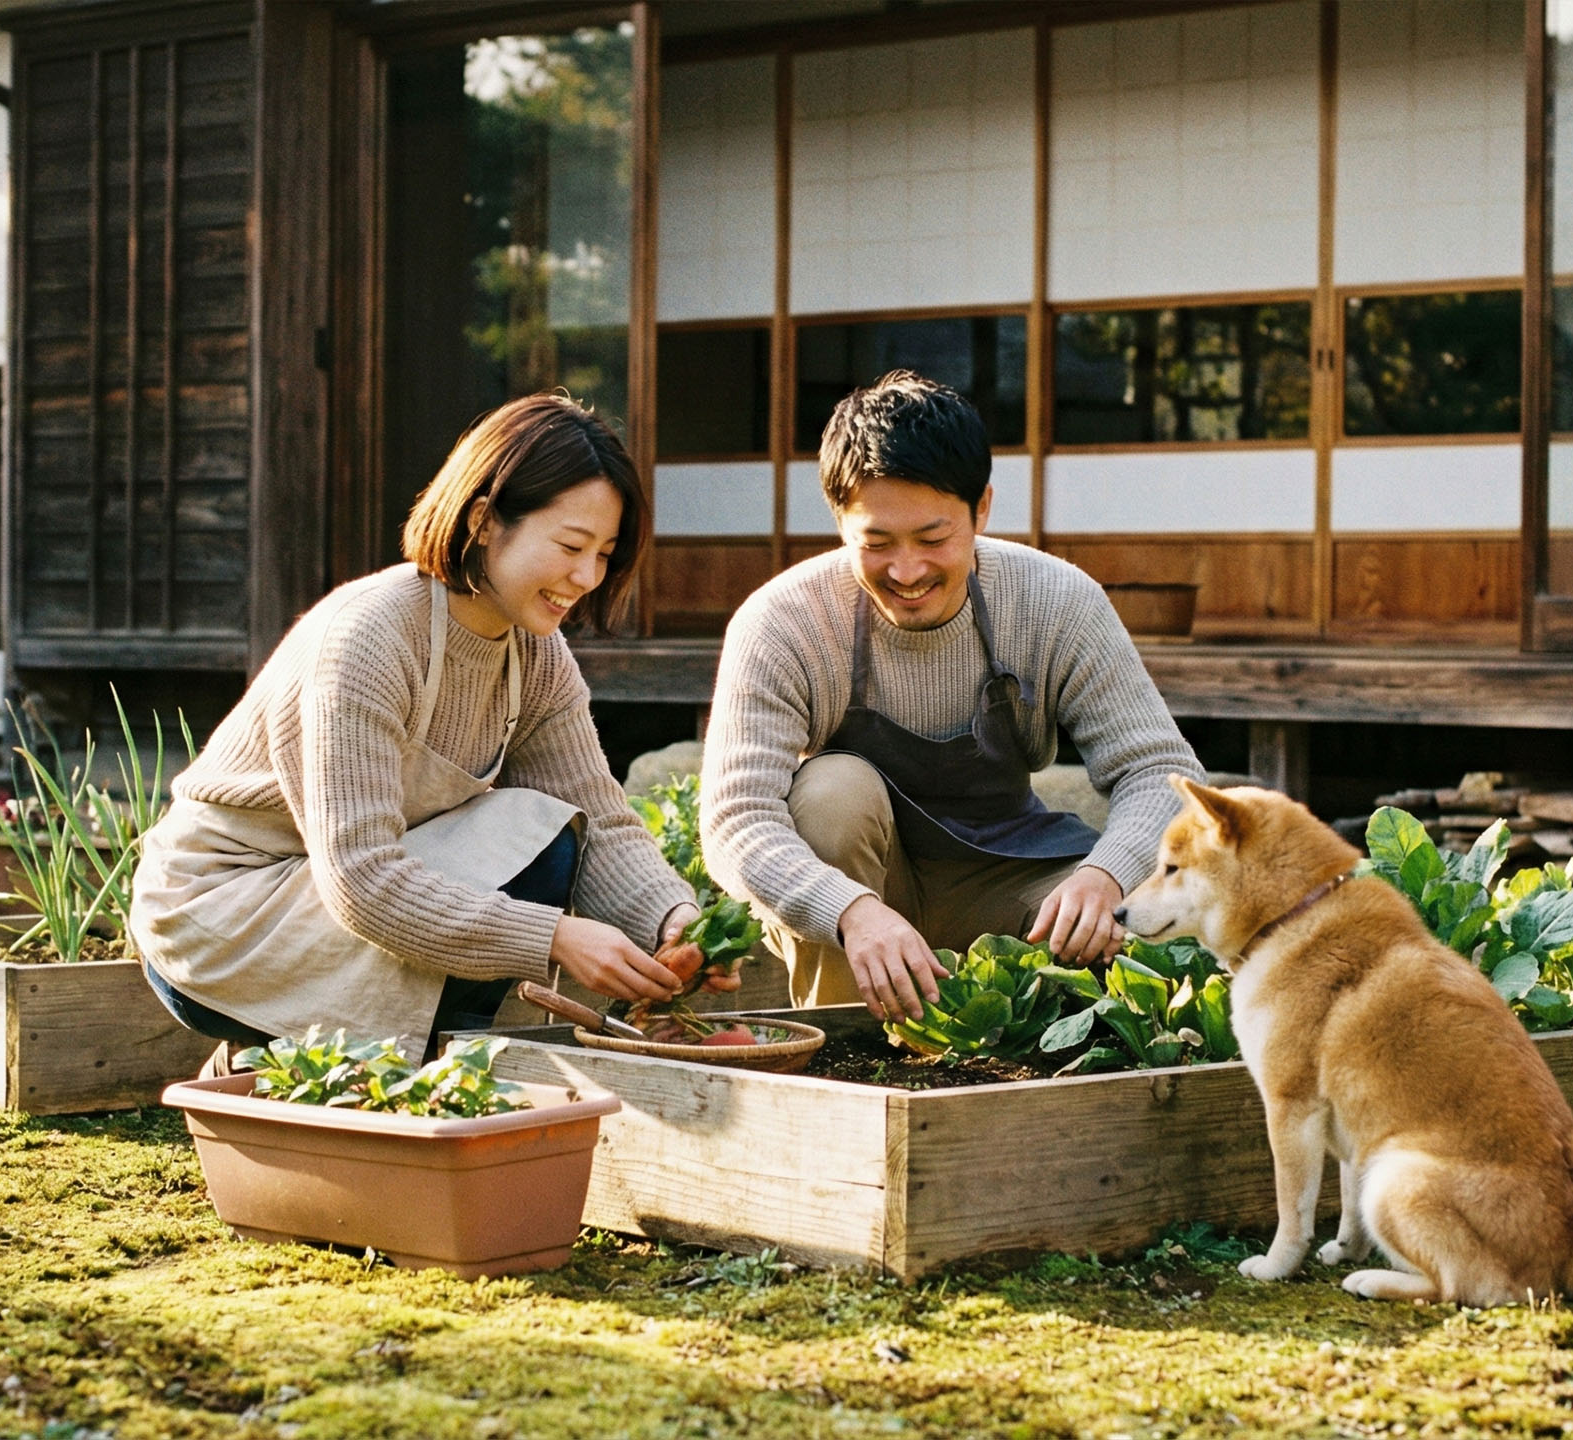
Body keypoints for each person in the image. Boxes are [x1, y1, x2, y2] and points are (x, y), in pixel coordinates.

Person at [129, 394, 708, 1060]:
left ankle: (388, 1067)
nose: (587, 576)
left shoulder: (536, 655)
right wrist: (552, 937)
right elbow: (362, 877)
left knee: (543, 832)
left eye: (604, 553)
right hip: (219, 921)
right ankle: (392, 1069)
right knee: (525, 839)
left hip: (321, 903)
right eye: (571, 546)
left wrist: (674, 921)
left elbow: (601, 821)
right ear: (485, 521)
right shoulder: (368, 637)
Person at [699, 371, 1206, 1019]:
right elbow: (736, 819)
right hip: (856, 892)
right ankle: (840, 1046)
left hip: (1009, 878)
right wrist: (850, 910)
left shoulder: (1056, 600)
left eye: (933, 540)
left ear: (982, 509)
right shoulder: (785, 622)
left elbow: (1162, 773)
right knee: (831, 791)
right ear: (839, 520)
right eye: (876, 543)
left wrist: (1105, 875)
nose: (907, 571)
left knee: (1140, 917)